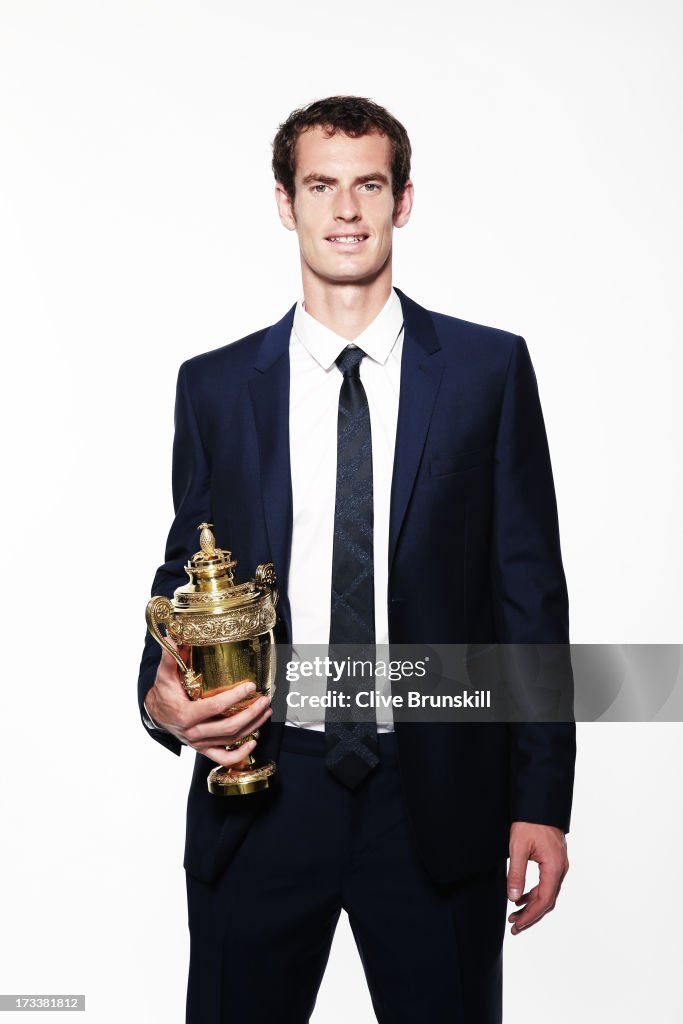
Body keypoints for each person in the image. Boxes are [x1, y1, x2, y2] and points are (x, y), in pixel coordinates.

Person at [138, 95, 575, 1024]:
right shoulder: (215, 386)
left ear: (402, 201)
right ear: (284, 203)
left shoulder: (487, 372)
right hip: (262, 785)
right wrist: (159, 693)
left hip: (435, 794)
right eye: (321, 186)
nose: (345, 210)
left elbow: (528, 595)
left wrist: (541, 800)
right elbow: (187, 571)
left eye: (368, 185)